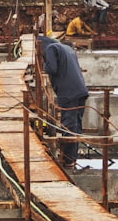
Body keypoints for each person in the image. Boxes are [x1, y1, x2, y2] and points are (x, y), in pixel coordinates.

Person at [37, 35, 89, 168]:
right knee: (75, 125)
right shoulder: (65, 48)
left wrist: (42, 65)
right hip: (80, 90)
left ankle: (67, 159)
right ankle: (71, 159)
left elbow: (52, 68)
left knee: (68, 125)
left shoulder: (50, 49)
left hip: (68, 92)